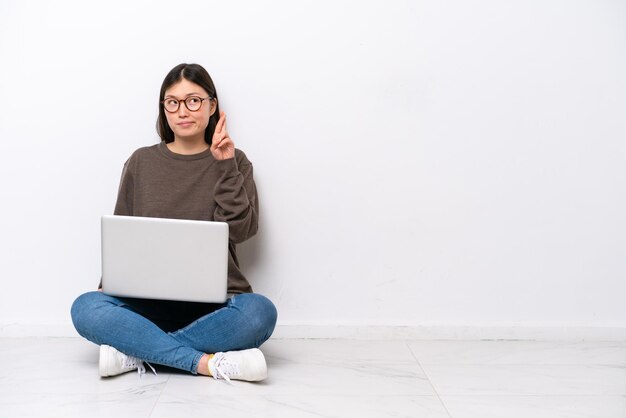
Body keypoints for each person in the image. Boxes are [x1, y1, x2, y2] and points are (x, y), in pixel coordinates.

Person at [71, 63, 277, 382]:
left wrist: (224, 168)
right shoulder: (141, 162)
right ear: (163, 108)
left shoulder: (234, 160)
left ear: (212, 105)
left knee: (260, 313)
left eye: (193, 100)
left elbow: (242, 231)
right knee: (85, 307)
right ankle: (206, 363)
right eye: (172, 102)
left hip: (217, 304)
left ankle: (135, 352)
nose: (182, 110)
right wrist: (106, 281)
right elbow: (123, 234)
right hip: (146, 304)